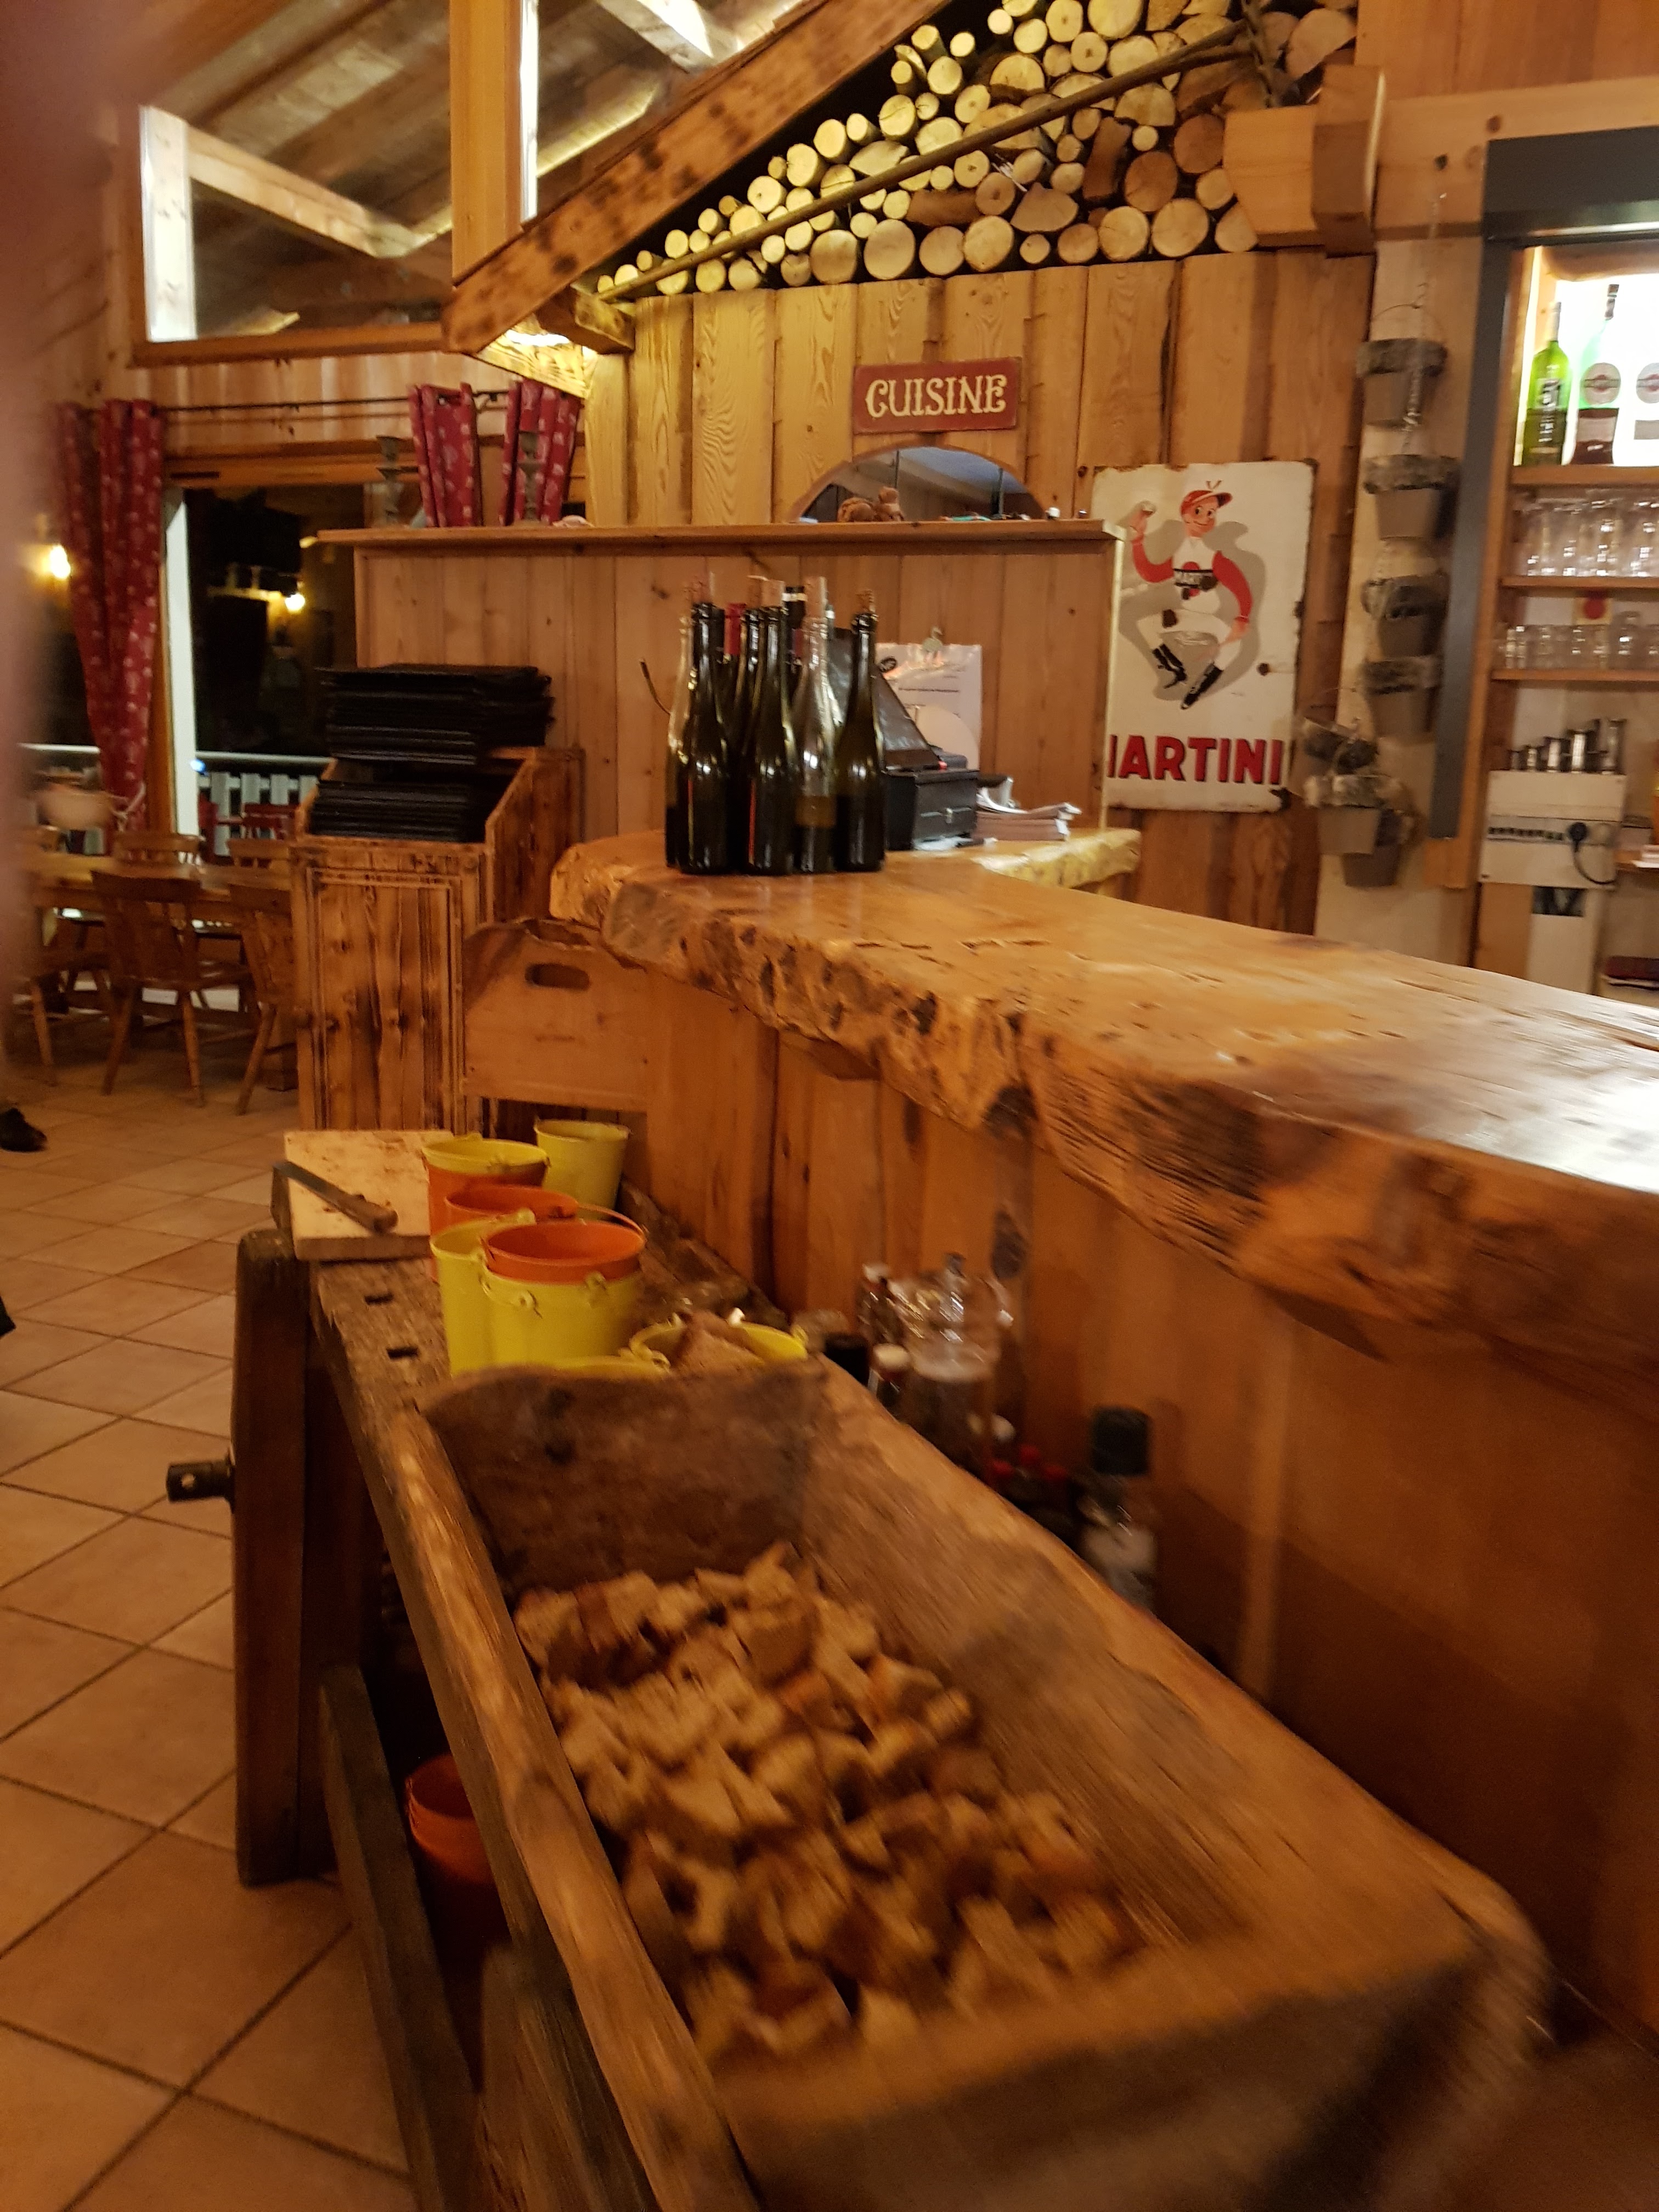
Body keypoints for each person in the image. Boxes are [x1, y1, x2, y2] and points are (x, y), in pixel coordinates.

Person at [1127, 484, 1254, 712]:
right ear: (1185, 515)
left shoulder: (1214, 558)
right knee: (1145, 625)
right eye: (1199, 511)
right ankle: (1176, 670)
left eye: (1211, 513)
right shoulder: (1179, 556)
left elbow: (1241, 587)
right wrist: (1138, 540)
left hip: (1208, 618)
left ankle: (1197, 690)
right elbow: (1151, 575)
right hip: (1186, 615)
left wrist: (1243, 618)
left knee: (1234, 647)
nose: (1206, 518)